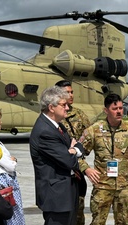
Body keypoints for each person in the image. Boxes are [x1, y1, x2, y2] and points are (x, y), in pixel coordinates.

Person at [80, 93, 128, 225]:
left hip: (124, 187)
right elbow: (77, 153)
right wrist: (86, 169)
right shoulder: (94, 130)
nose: (119, 111)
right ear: (106, 110)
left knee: (124, 222)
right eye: (115, 109)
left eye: (120, 108)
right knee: (97, 222)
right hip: (102, 187)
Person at [29, 86, 85, 225]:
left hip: (66, 190)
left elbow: (73, 146)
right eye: (63, 105)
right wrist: (75, 150)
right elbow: (68, 160)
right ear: (51, 107)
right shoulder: (45, 131)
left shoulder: (58, 126)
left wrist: (73, 149)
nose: (67, 108)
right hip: (56, 196)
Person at [55, 80, 91, 225]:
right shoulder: (54, 116)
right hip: (60, 170)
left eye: (72, 92)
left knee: (78, 208)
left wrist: (81, 150)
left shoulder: (79, 114)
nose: (70, 95)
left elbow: (89, 136)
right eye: (67, 92)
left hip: (77, 167)